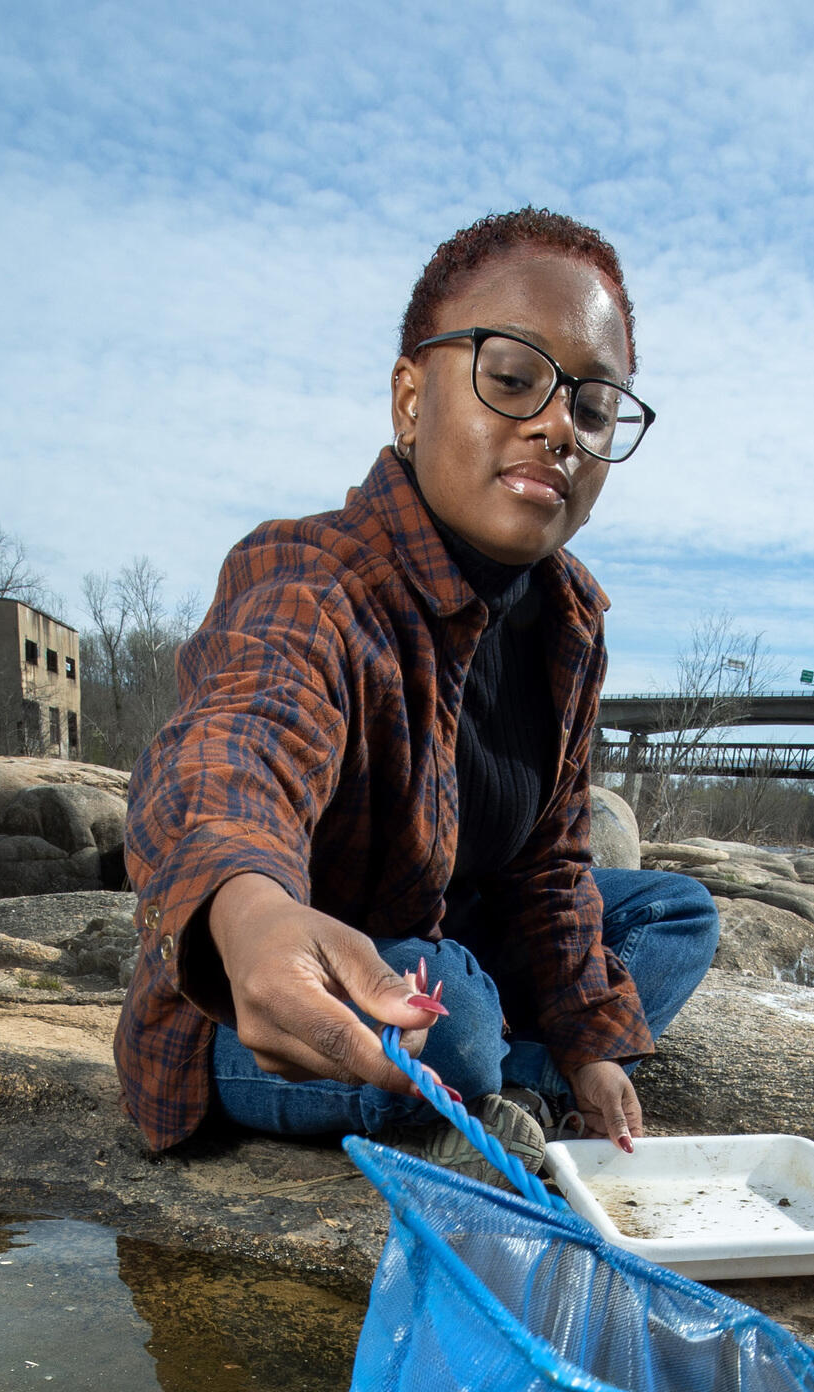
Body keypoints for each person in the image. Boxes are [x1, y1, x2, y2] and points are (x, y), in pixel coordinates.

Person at [117, 206, 719, 1186]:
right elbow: (238, 736)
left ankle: (517, 1079)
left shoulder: (569, 621)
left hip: (444, 946)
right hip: (281, 983)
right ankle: (490, 1070)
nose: (554, 427)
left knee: (672, 916)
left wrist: (590, 1044)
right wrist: (250, 909)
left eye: (592, 406)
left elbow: (551, 865)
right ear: (409, 397)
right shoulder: (313, 576)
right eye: (512, 379)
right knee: (461, 1017)